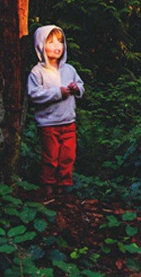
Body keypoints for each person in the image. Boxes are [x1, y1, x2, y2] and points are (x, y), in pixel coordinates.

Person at [27, 24, 85, 200]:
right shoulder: (38, 72)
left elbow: (81, 86)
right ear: (40, 45)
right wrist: (57, 92)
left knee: (68, 156)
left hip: (68, 122)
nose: (56, 46)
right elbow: (34, 94)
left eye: (60, 42)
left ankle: (63, 188)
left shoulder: (69, 69)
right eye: (50, 42)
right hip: (49, 123)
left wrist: (76, 89)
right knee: (51, 157)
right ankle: (48, 188)